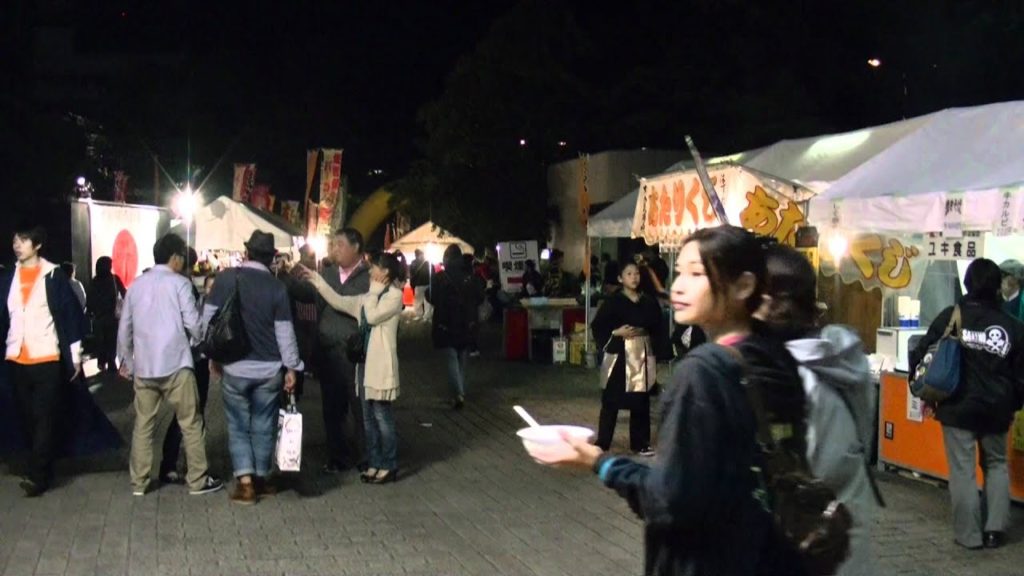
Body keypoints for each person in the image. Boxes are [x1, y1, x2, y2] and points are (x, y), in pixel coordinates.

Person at [551, 225, 803, 575]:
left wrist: (600, 462)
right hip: (764, 552)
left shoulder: (703, 372)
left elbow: (669, 499)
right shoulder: (776, 357)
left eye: (697, 273)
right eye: (680, 271)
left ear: (744, 286)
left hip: (706, 560)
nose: (678, 286)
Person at [758, 243, 879, 575]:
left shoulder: (790, 379)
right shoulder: (845, 354)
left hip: (811, 543)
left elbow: (794, 475)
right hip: (849, 519)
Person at [910, 258, 1024, 550]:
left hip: (957, 406)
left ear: (968, 283)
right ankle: (994, 531)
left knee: (962, 471)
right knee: (997, 465)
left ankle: (969, 536)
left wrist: (918, 386)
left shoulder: (952, 315)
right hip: (997, 408)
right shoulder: (1013, 326)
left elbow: (922, 351)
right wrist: (1013, 403)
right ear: (998, 287)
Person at [117, 233, 223, 497]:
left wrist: (126, 361)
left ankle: (139, 483)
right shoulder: (180, 284)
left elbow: (125, 327)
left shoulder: (137, 285)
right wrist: (198, 341)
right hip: (177, 364)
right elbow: (193, 323)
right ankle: (198, 479)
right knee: (191, 421)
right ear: (175, 257)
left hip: (145, 367)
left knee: (143, 424)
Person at [203, 231, 302, 504]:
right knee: (263, 423)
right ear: (271, 259)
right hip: (270, 368)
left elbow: (208, 323)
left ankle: (245, 483)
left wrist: (214, 356)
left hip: (235, 366)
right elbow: (285, 333)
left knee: (237, 425)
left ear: (246, 253)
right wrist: (291, 368)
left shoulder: (225, 279)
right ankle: (261, 477)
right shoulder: (277, 287)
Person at [305, 252, 405, 484]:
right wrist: (317, 281)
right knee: (368, 418)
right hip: (363, 365)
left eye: (375, 268)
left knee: (382, 415)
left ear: (386, 273)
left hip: (381, 365)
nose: (370, 272)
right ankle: (374, 462)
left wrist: (372, 293)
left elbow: (370, 316)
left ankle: (389, 465)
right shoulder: (370, 296)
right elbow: (340, 301)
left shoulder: (393, 296)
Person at [1, 225, 87, 496]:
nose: (17, 244)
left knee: (43, 417)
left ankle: (38, 475)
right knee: (26, 416)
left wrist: (75, 357)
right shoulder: (8, 277)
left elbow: (70, 316)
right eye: (15, 239)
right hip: (16, 357)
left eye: (24, 239)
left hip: (46, 356)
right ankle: (43, 466)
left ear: (37, 245)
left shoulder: (53, 275)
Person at [286, 227, 370, 474]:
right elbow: (307, 295)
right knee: (332, 408)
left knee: (360, 407)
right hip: (328, 353)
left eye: (340, 245)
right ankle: (338, 456)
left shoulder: (368, 279)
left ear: (356, 247)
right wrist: (288, 279)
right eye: (333, 245)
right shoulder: (328, 273)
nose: (335, 249)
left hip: (355, 354)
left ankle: (366, 455)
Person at [590, 260, 669, 455]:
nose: (634, 278)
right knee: (611, 398)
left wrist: (658, 354)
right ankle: (603, 441)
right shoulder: (613, 302)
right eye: (629, 274)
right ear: (620, 278)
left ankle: (640, 443)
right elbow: (598, 325)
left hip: (641, 351)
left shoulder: (648, 302)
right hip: (618, 352)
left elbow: (658, 329)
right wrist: (615, 332)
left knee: (640, 399)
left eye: (636, 274)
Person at [158, 271, 215, 485]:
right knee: (188, 416)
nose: (212, 291)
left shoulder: (213, 307)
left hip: (197, 365)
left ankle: (183, 465)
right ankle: (180, 467)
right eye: (209, 287)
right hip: (192, 364)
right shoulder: (195, 308)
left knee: (191, 415)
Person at [427, 244, 485, 409]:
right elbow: (480, 297)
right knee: (462, 358)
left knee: (451, 357)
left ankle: (458, 393)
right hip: (468, 323)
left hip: (446, 323)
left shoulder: (440, 277)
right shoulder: (471, 277)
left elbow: (430, 297)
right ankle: (461, 390)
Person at [86, 256, 125, 373]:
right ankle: (111, 362)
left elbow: (90, 299)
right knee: (112, 339)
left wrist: (90, 312)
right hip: (112, 316)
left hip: (98, 317)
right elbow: (124, 293)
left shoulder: (95, 281)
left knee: (101, 340)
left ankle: (101, 361)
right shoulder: (114, 279)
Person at [409, 249, 433, 321]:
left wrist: (412, 284)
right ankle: (427, 316)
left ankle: (419, 315)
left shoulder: (413, 263)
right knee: (427, 301)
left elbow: (411, 274)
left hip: (419, 284)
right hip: (427, 284)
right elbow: (432, 273)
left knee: (418, 301)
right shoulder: (427, 262)